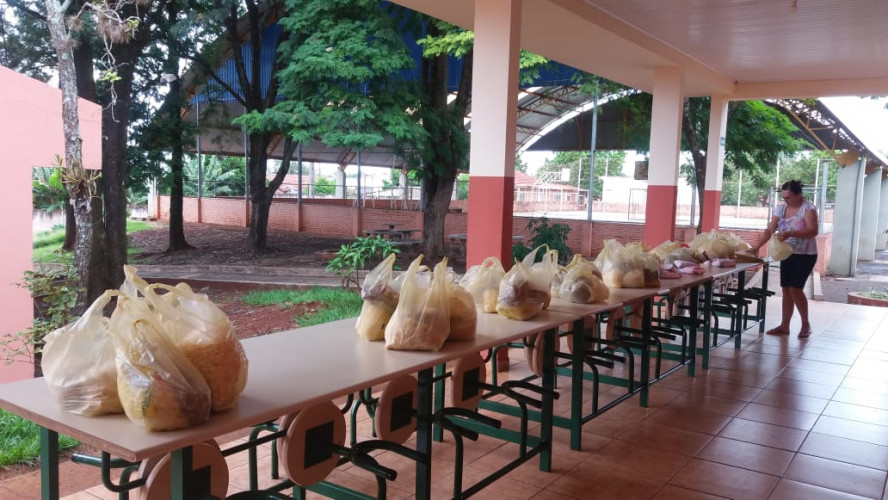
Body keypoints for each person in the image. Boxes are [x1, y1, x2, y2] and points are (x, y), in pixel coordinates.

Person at [750, 180, 819, 338]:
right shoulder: (781, 209)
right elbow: (769, 230)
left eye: (789, 198)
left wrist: (790, 233)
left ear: (799, 195)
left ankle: (805, 324)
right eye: (784, 197)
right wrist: (757, 246)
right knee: (786, 289)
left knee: (795, 288)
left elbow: (812, 231)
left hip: (806, 255)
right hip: (787, 254)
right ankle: (784, 325)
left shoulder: (808, 209)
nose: (786, 201)